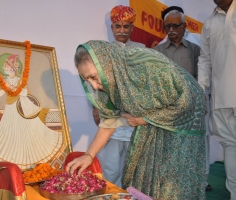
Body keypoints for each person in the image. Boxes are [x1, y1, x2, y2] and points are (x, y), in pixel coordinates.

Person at [67, 40, 206, 199]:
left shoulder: (145, 64)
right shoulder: (110, 81)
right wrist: (89, 155)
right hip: (152, 123)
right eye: (87, 80)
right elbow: (109, 122)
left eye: (93, 77)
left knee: (171, 184)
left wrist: (145, 119)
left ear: (105, 63)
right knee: (143, 178)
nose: (95, 85)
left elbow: (187, 99)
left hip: (184, 123)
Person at [154, 6, 212, 191]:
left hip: (193, 105)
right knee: (170, 143)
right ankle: (172, 181)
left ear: (184, 26)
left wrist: (200, 100)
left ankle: (201, 180)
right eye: (167, 26)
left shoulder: (195, 49)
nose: (171, 30)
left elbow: (201, 77)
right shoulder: (158, 50)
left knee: (198, 142)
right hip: (169, 106)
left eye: (175, 26)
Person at [93, 5, 145, 188]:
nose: (122, 30)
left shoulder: (142, 50)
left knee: (135, 172)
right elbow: (94, 82)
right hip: (112, 119)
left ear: (132, 28)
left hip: (135, 120)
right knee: (110, 170)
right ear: (112, 28)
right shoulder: (103, 51)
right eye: (118, 26)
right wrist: (95, 107)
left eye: (126, 26)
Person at [0, 54, 63, 170]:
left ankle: (29, 159)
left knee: (25, 131)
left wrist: (14, 89)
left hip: (21, 107)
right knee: (11, 131)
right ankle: (15, 159)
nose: (4, 68)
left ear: (14, 67)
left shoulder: (21, 81)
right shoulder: (5, 81)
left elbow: (25, 93)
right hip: (10, 107)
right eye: (3, 66)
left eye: (6, 66)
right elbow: (2, 92)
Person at [198, 0, 236, 199]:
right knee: (230, 146)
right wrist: (201, 89)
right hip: (222, 97)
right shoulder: (210, 23)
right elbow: (205, 59)